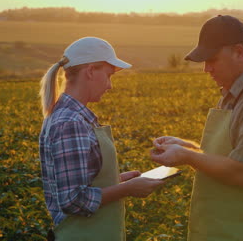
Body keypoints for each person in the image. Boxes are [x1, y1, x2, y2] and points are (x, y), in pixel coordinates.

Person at [151, 15, 243, 240]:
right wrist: (187, 147)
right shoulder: (233, 92)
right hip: (226, 229)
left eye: (212, 60)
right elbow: (227, 156)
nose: (206, 69)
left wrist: (186, 156)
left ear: (239, 52)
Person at [39, 37, 164, 241]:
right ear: (90, 72)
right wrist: (127, 189)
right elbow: (73, 199)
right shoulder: (70, 122)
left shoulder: (69, 116)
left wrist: (118, 181)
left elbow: (80, 182)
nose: (109, 86)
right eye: (109, 75)